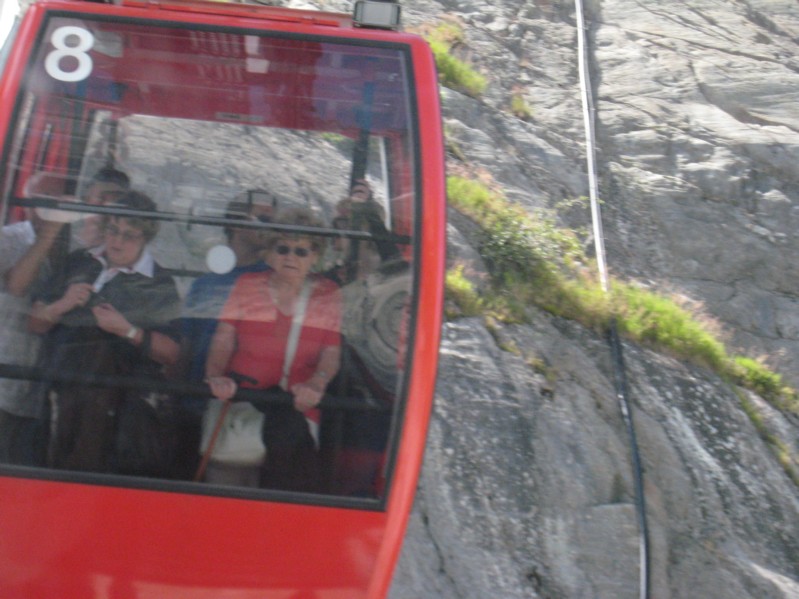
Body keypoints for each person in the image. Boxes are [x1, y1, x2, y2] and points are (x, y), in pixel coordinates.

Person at [28, 190, 181, 474]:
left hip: (118, 410)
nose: (116, 240)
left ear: (146, 239)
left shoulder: (159, 284)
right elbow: (35, 323)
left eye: (129, 235)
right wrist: (61, 305)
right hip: (58, 394)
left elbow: (173, 353)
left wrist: (128, 330)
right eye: (113, 230)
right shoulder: (79, 261)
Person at [205, 207, 341, 490]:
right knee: (226, 493)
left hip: (296, 412)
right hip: (241, 403)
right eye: (283, 249)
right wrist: (216, 375)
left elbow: (331, 350)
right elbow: (224, 337)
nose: (290, 257)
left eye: (301, 251)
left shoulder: (327, 294)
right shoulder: (247, 284)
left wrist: (317, 384)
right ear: (269, 252)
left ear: (315, 256)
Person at [175, 189, 276, 479]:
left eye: (271, 220)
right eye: (261, 218)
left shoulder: (273, 281)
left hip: (243, 409)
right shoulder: (205, 284)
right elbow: (187, 345)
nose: (267, 226)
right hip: (196, 401)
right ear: (233, 223)